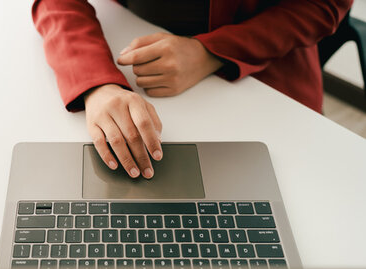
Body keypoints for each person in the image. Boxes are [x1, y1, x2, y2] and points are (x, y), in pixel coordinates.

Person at [32, 0, 352, 179]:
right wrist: (97, 82)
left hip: (264, 85)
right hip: (125, 45)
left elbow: (325, 4)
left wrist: (211, 52)